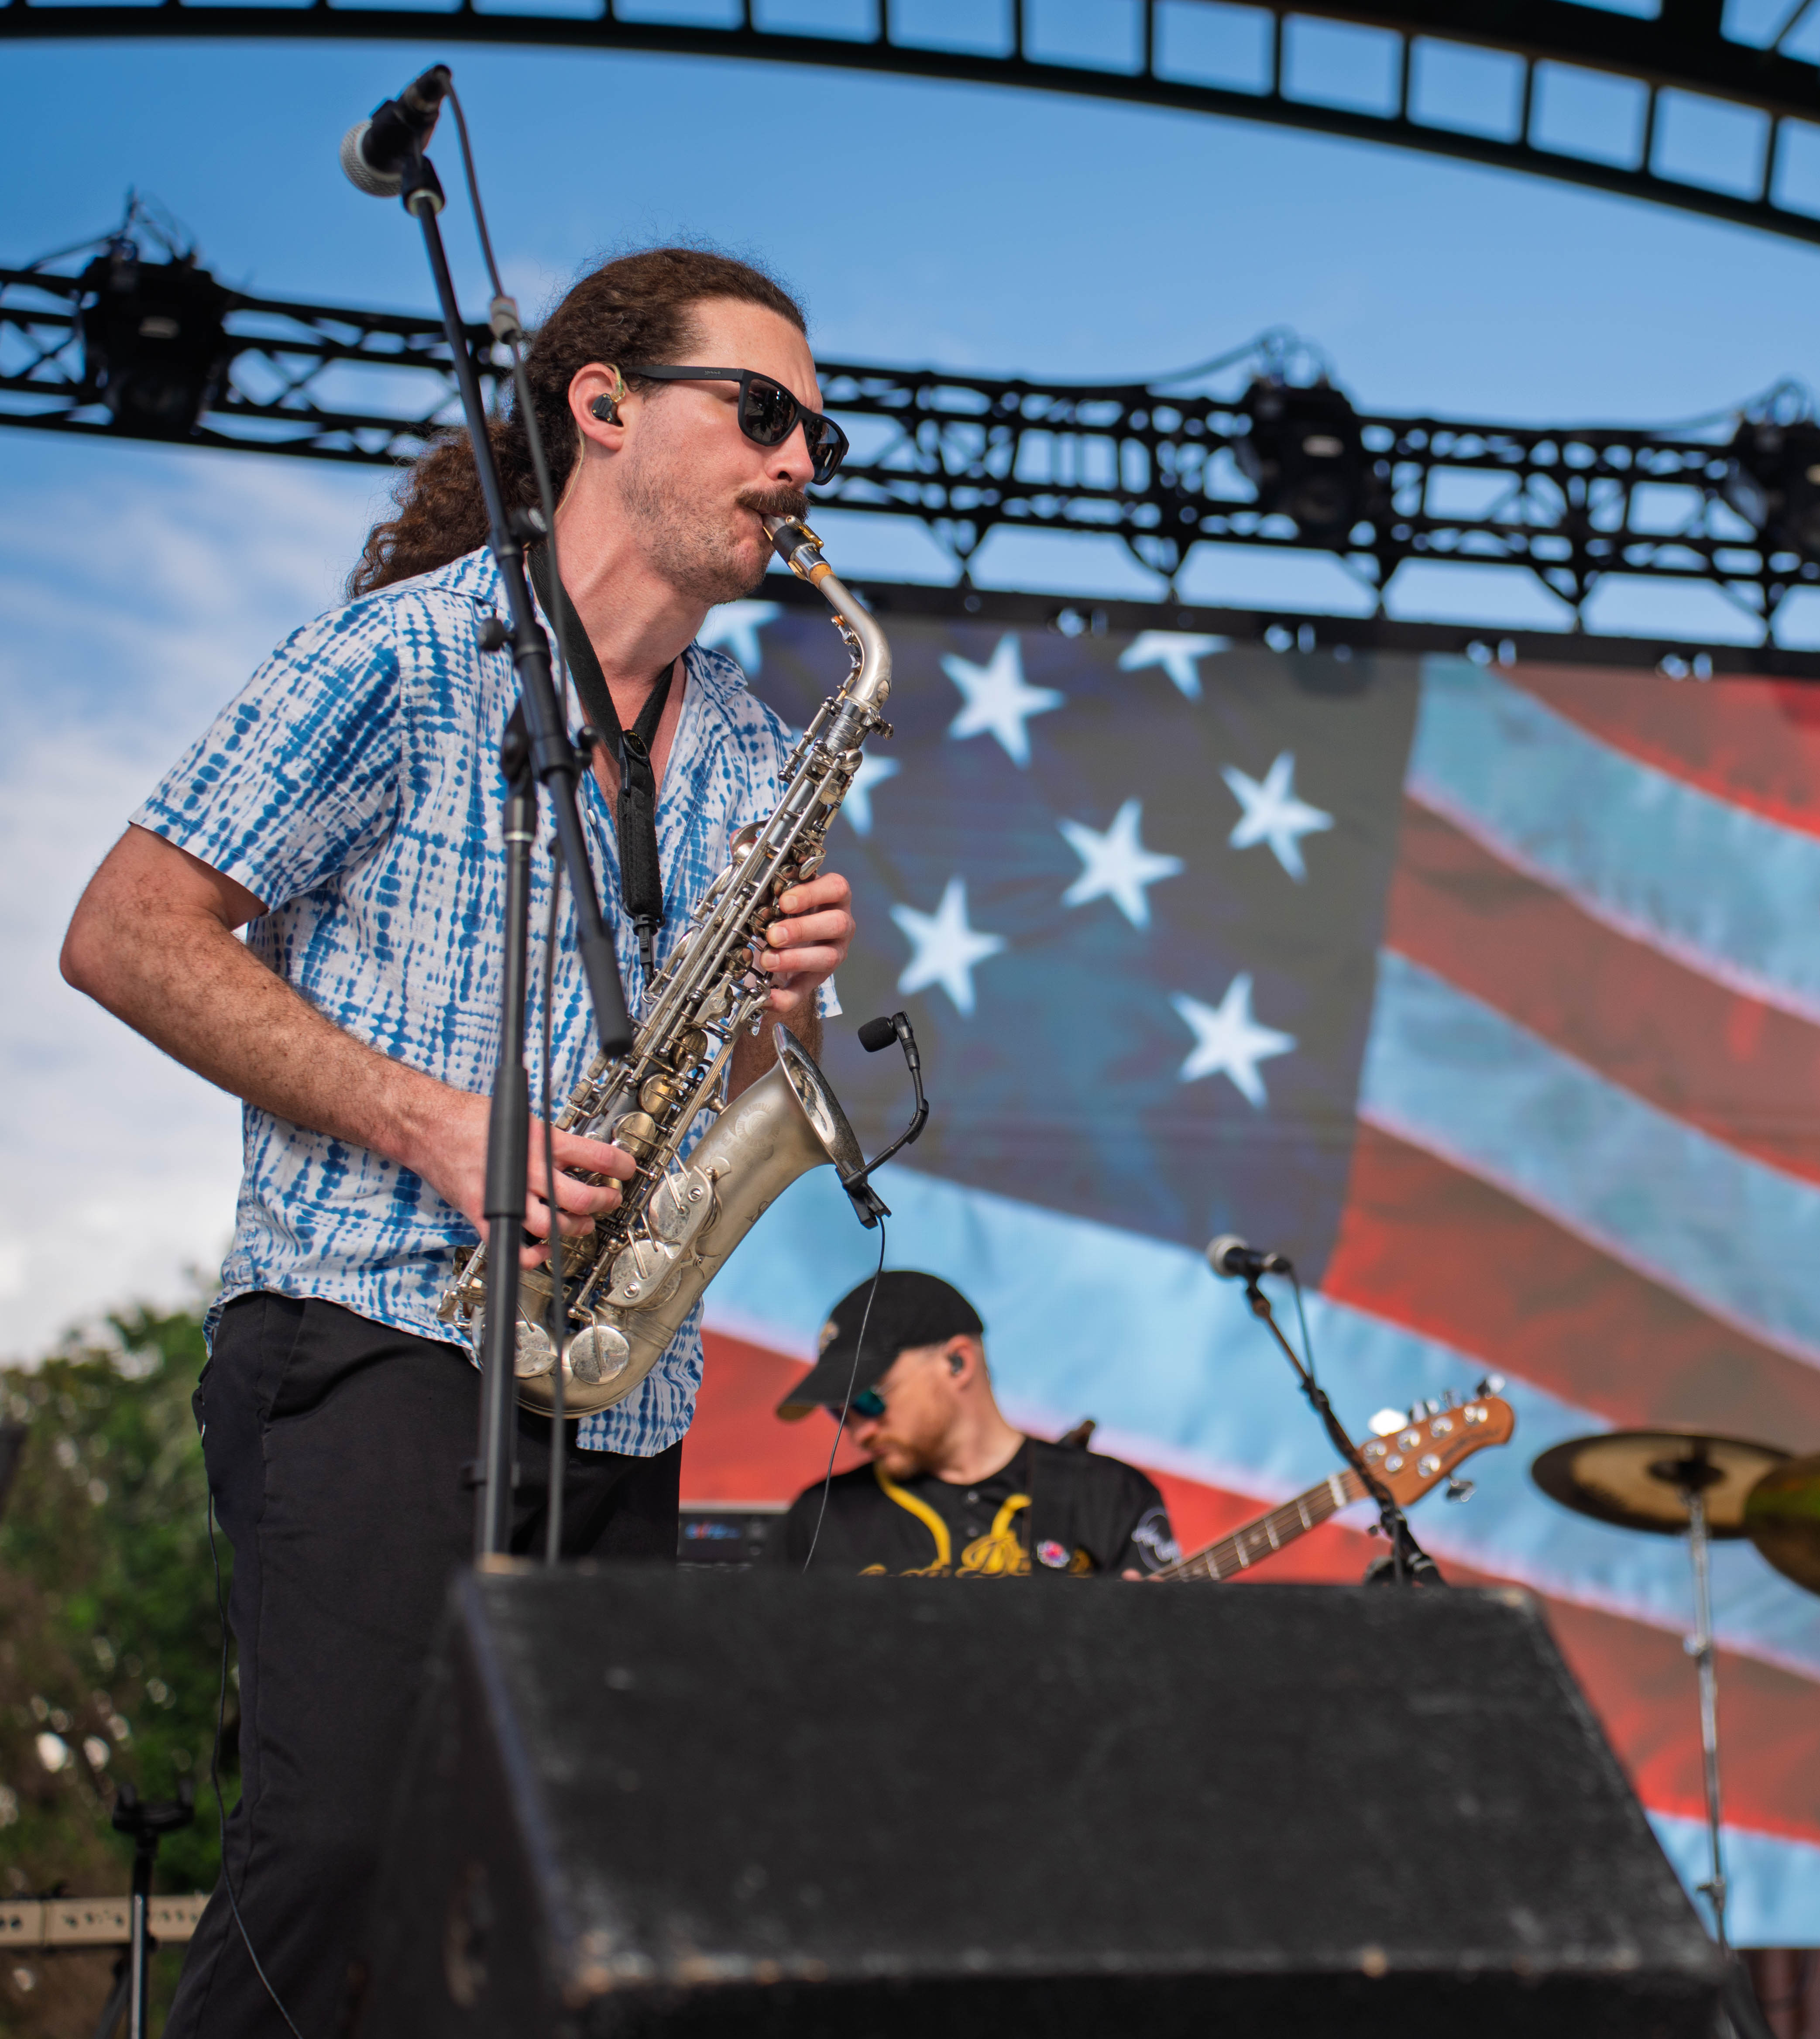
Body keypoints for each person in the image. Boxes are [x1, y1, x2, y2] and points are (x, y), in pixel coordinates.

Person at [58, 246, 861, 2039]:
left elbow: (738, 1083)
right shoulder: (403, 655)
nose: (802, 461)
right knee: (341, 1853)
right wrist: (432, 1122)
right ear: (603, 406)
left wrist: (787, 1005)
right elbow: (124, 933)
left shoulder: (754, 744)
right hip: (374, 1331)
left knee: (543, 1914)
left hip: (615, 1383)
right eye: (761, 412)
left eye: (820, 433)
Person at [775, 1271, 1179, 1578]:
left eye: (869, 1400)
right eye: (839, 1413)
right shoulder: (819, 1517)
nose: (859, 1432)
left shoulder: (1109, 1495)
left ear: (958, 1362)